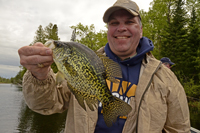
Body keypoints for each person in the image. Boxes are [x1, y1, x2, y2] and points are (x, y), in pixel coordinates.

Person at [18, 0, 191, 132]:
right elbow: (45, 105)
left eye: (129, 22)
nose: (121, 28)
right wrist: (39, 75)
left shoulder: (166, 78)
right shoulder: (88, 63)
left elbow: (178, 128)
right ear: (108, 29)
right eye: (114, 23)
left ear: (141, 29)